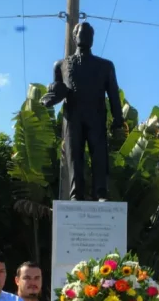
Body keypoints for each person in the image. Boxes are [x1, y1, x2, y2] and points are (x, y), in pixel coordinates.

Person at [40, 21, 126, 201]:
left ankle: (101, 192)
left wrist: (118, 120)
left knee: (99, 155)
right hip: (72, 117)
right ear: (74, 36)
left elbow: (113, 95)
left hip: (96, 116)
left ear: (93, 39)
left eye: (89, 34)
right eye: (81, 32)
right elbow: (57, 91)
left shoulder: (105, 66)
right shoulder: (60, 65)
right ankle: (75, 194)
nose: (86, 36)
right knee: (73, 156)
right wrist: (49, 99)